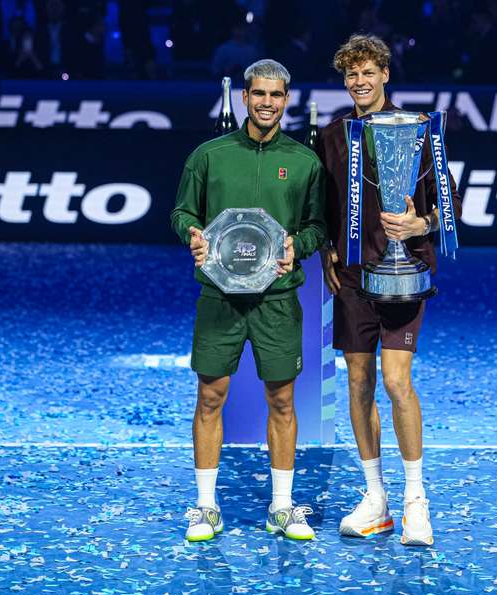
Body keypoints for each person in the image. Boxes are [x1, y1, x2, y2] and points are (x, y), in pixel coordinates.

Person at [171, 59, 326, 543]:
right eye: (258, 93)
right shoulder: (208, 156)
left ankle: (282, 508)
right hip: (219, 296)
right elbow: (181, 212)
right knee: (210, 396)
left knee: (282, 400)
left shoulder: (305, 162)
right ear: (244, 96)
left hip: (277, 299)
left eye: (276, 95)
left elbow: (317, 227)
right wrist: (191, 235)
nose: (266, 102)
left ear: (287, 100)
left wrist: (295, 247)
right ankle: (205, 507)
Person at [316, 34, 461, 546]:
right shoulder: (332, 136)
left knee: (396, 382)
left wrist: (420, 225)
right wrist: (327, 252)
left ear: (385, 75)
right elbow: (322, 207)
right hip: (353, 279)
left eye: (368, 72)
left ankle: (416, 501)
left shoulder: (419, 131)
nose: (359, 82)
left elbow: (450, 204)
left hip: (406, 275)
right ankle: (375, 498)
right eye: (351, 75)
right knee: (358, 382)